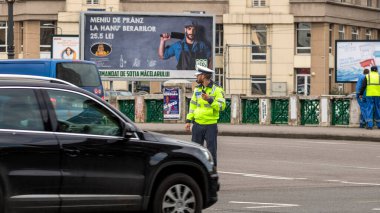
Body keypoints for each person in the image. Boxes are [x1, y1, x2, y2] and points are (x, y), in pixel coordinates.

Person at [185, 65, 226, 166]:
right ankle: (195, 170)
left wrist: (210, 100)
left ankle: (212, 171)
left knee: (211, 152)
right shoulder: (197, 89)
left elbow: (222, 106)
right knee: (194, 151)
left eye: (197, 75)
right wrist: (188, 120)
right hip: (197, 124)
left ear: (203, 76)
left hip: (210, 125)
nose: (196, 77)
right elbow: (193, 105)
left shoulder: (217, 90)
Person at [359, 65, 380, 130]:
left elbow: (363, 86)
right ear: (376, 70)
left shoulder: (367, 76)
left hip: (369, 94)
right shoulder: (379, 76)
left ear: (371, 70)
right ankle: (379, 124)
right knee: (377, 108)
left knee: (369, 109)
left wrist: (361, 94)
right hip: (378, 95)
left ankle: (370, 125)